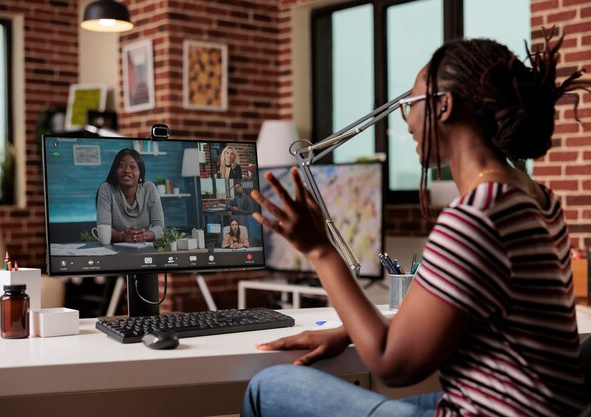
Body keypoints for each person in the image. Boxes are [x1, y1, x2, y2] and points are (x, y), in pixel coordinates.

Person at [242, 32, 590, 417]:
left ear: (444, 107)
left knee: (268, 386)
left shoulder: (477, 213)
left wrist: (320, 251)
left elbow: (394, 366)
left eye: (410, 103)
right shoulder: (539, 198)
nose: (407, 122)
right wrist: (350, 331)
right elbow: (465, 313)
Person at [96, 148, 164, 243]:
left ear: (140, 173)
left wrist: (142, 236)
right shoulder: (106, 189)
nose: (127, 170)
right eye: (121, 165)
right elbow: (104, 228)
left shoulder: (149, 189)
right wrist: (123, 236)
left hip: (144, 248)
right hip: (115, 251)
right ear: (115, 170)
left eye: (133, 167)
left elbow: (159, 227)